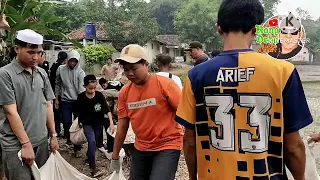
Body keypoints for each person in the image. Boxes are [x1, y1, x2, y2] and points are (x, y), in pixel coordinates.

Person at [175, 0, 312, 180]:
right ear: (256, 30)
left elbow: (190, 141)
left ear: (219, 28)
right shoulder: (283, 72)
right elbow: (293, 146)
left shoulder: (197, 76)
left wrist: (193, 177)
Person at [110, 44, 183, 180]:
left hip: (167, 144)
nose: (130, 73)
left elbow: (186, 114)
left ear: (146, 64)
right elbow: (122, 126)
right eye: (126, 70)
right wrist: (115, 156)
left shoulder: (165, 85)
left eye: (134, 68)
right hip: (142, 147)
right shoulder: (125, 93)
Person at [0, 29, 58, 180]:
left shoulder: (41, 73)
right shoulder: (5, 74)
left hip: (40, 140)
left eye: (39, 52)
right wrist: (25, 144)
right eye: (31, 52)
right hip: (16, 145)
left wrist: (53, 135)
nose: (36, 57)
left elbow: (48, 105)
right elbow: (10, 111)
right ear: (17, 49)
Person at [75, 74, 114, 177]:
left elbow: (107, 109)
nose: (92, 90)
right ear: (84, 86)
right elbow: (78, 111)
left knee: (95, 143)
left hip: (98, 124)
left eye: (94, 88)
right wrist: (79, 121)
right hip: (87, 124)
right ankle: (93, 167)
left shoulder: (99, 96)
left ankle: (89, 156)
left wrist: (111, 123)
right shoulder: (81, 97)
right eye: (89, 88)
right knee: (91, 141)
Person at [55, 49, 85, 157]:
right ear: (67, 60)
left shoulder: (81, 72)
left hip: (77, 101)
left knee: (77, 124)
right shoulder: (60, 69)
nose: (73, 63)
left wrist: (83, 103)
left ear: (78, 61)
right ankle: (69, 138)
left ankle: (77, 147)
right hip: (65, 100)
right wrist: (56, 98)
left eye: (75, 61)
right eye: (71, 61)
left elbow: (82, 89)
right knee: (67, 123)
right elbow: (57, 84)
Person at [49, 51, 68, 136]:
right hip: (59, 93)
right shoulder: (61, 68)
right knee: (59, 112)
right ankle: (58, 129)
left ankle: (57, 129)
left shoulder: (54, 66)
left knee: (56, 112)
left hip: (53, 92)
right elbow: (58, 82)